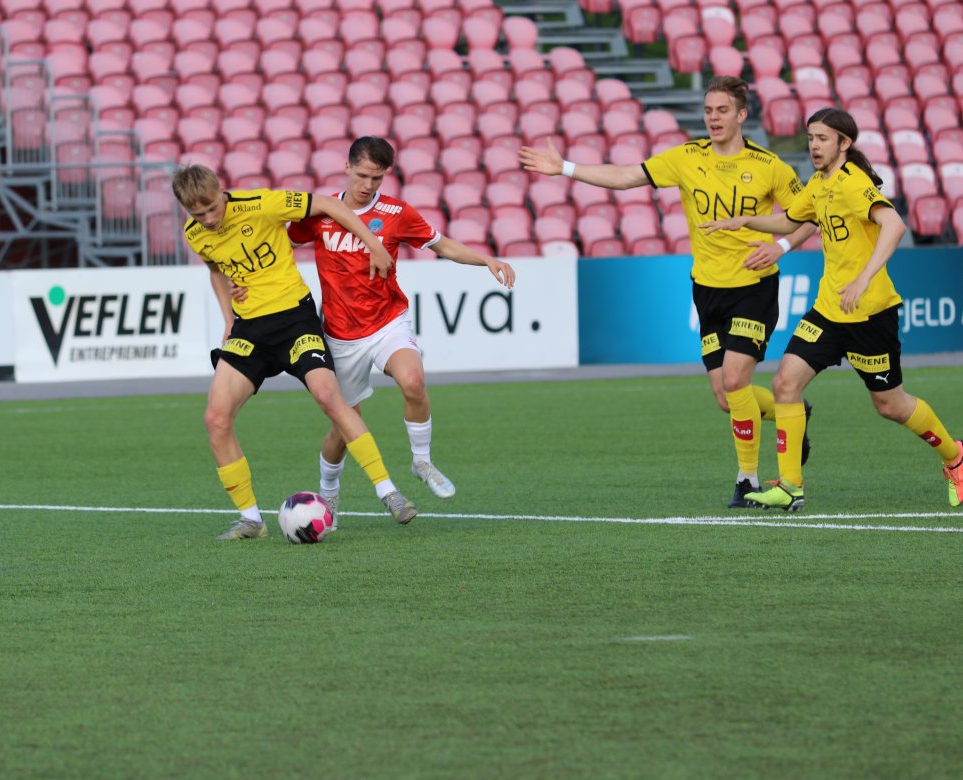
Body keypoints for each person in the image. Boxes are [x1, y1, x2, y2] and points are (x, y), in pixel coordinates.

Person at [518, 75, 819, 509]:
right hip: (707, 290)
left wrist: (782, 246)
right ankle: (794, 412)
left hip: (754, 287)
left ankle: (746, 480)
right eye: (708, 110)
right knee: (726, 397)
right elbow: (626, 176)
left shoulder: (770, 165)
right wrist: (565, 167)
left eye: (722, 110)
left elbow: (808, 215)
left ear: (741, 115)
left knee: (736, 380)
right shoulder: (686, 157)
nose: (713, 117)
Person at [700, 107, 963, 510]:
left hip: (869, 313)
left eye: (822, 138)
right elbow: (791, 221)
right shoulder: (819, 184)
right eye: (810, 138)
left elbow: (894, 225)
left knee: (890, 405)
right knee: (785, 383)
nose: (814, 146)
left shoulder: (853, 182)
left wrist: (864, 278)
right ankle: (791, 486)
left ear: (844, 143)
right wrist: (743, 221)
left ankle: (955, 456)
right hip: (828, 311)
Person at [172, 164, 419, 540]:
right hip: (249, 331)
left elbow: (328, 205)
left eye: (211, 208)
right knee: (215, 418)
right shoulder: (195, 233)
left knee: (329, 397)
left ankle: (389, 492)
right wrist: (227, 318)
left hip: (294, 320)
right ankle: (251, 520)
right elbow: (216, 270)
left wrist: (373, 244)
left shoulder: (261, 203)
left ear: (222, 192)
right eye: (197, 213)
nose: (206, 219)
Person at [284, 136, 516, 515]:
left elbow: (442, 245)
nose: (367, 185)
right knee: (344, 429)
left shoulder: (396, 212)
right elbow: (283, 244)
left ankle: (421, 461)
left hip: (387, 321)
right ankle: (328, 493)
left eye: (376, 178)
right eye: (361, 175)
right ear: (346, 168)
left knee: (413, 380)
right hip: (340, 335)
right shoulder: (321, 213)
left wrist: (485, 259)